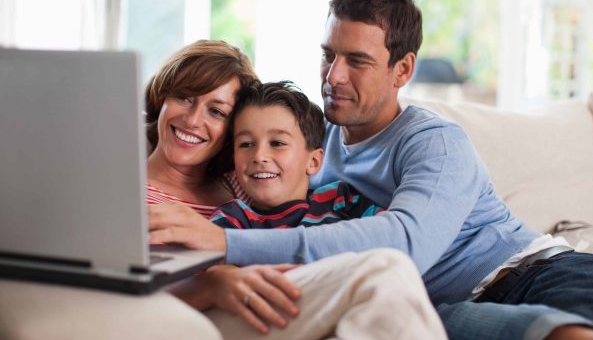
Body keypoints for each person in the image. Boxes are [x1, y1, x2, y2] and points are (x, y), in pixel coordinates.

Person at [150, 0, 593, 340]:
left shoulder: (434, 142)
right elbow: (236, 134)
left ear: (402, 69)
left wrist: (224, 244)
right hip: (439, 307)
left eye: (358, 61)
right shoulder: (306, 143)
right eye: (329, 55)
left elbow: (404, 244)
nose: (334, 77)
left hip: (540, 275)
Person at [145, 39, 447, 339]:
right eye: (184, 97)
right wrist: (210, 286)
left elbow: (293, 159)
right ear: (162, 96)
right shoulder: (129, 194)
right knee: (385, 269)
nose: (193, 119)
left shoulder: (241, 182)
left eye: (217, 112)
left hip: (287, 302)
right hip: (205, 319)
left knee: (384, 285)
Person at [211, 80, 384, 230]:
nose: (259, 156)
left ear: (314, 161)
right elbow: (214, 267)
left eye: (277, 143)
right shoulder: (230, 220)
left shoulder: (340, 199)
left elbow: (390, 236)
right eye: (246, 144)